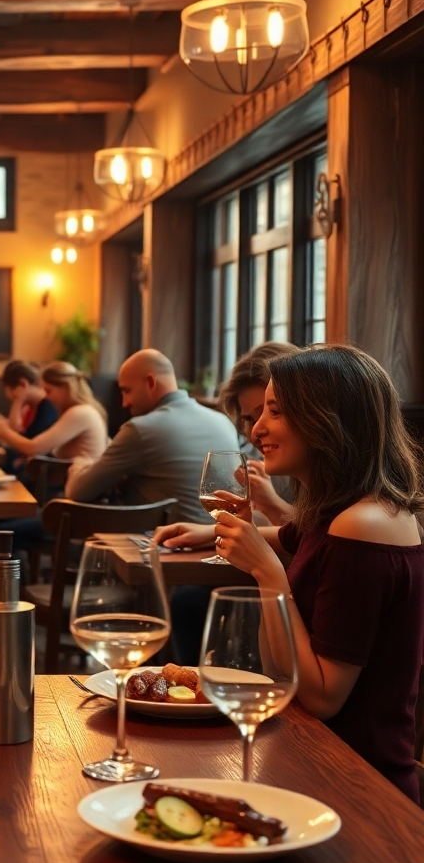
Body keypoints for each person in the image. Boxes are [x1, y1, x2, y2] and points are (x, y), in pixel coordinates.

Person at [155, 345, 424, 802]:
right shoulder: (339, 512)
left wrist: (267, 573)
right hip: (308, 758)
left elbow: (323, 700)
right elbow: (291, 535)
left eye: (275, 412)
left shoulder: (365, 525)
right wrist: (213, 531)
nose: (257, 429)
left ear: (326, 420)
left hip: (356, 788)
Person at [65, 349, 239, 520]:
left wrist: (79, 467)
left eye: (126, 391)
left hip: (169, 542)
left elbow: (78, 492)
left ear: (150, 383)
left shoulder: (140, 429)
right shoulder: (223, 421)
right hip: (220, 539)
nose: (124, 403)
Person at [217, 342, 295, 525]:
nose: (255, 432)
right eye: (248, 419)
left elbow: (317, 543)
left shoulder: (340, 479)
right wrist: (209, 534)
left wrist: (272, 504)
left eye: (272, 412)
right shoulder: (263, 464)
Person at [0, 361, 108, 463]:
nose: (46, 396)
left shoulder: (80, 413)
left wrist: (3, 432)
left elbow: (34, 448)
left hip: (76, 491)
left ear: (66, 387)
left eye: (49, 391)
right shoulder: (81, 411)